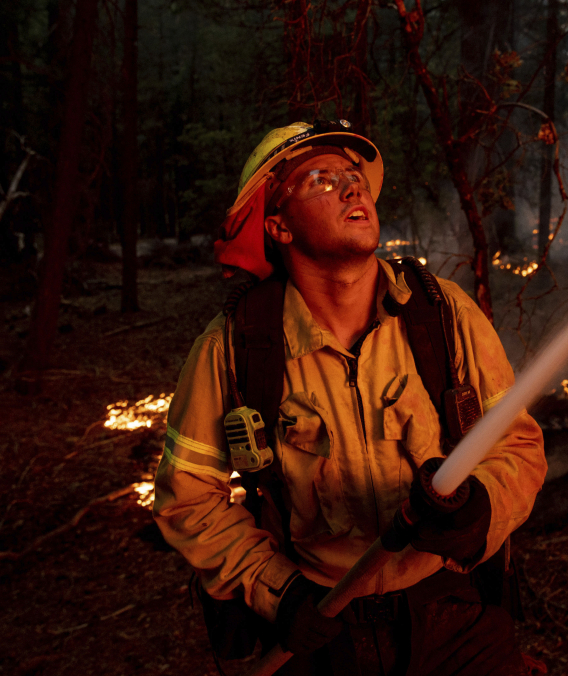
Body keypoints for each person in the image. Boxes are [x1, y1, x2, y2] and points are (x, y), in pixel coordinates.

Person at [152, 120, 547, 675]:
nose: (351, 186)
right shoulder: (234, 348)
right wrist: (276, 590)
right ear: (278, 226)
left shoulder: (443, 314)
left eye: (353, 175)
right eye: (321, 179)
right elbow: (188, 500)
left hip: (454, 618)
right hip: (322, 633)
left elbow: (517, 444)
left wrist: (480, 512)